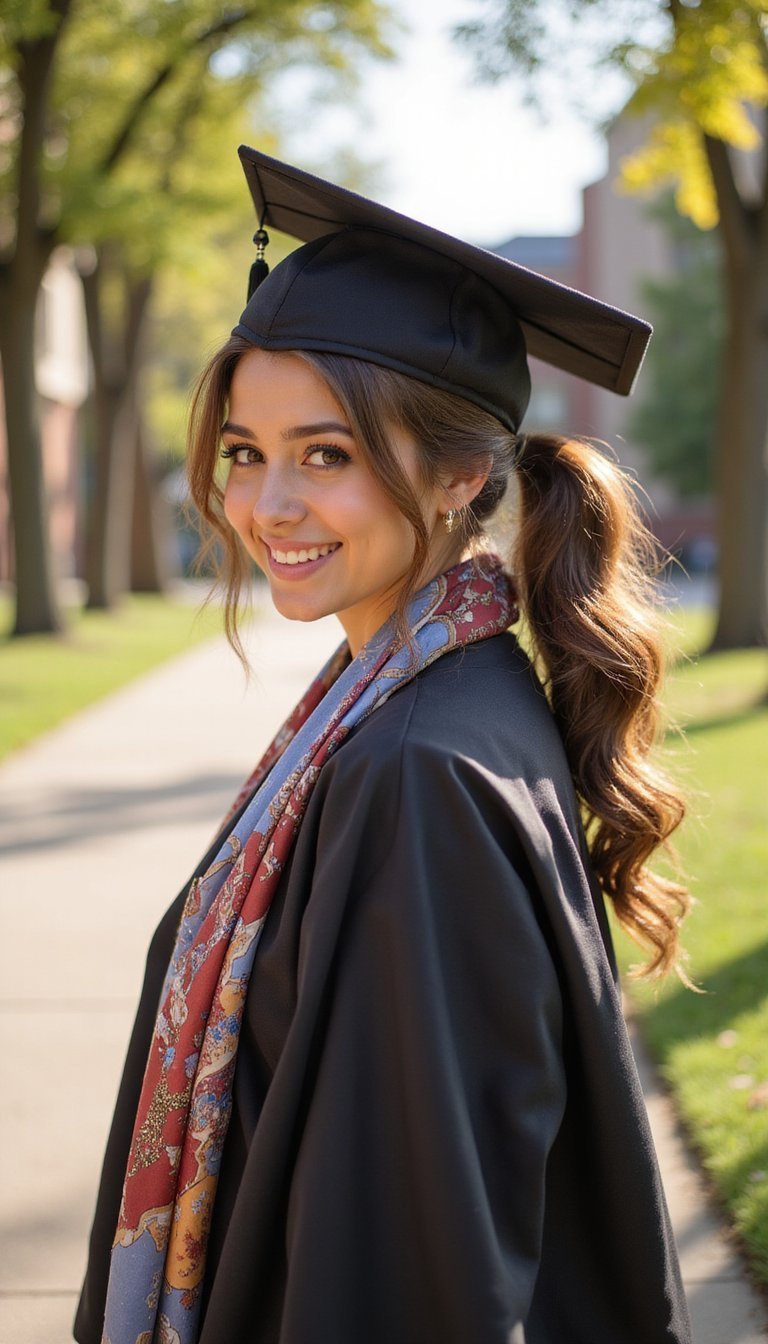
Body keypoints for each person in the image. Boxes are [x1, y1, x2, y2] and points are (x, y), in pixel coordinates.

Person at [75, 148, 693, 1344]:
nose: (268, 506)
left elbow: (420, 1258)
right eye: (246, 452)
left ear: (461, 475)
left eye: (327, 453)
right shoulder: (430, 696)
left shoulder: (416, 774)